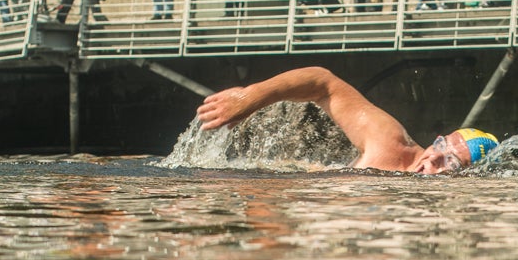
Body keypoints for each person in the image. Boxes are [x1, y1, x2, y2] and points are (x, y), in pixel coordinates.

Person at [196, 66, 499, 174]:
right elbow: (323, 82)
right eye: (440, 145)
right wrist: (252, 97)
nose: (433, 158)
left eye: (451, 164)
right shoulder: (389, 142)